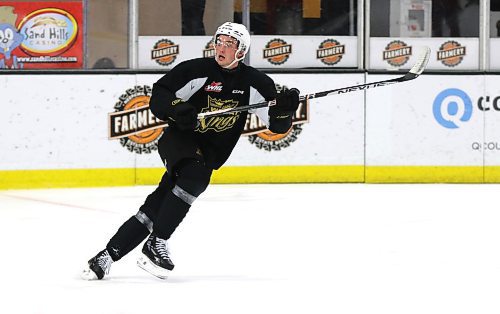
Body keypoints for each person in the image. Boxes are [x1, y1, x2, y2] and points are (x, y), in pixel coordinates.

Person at [82, 21, 300, 280]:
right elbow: (160, 95)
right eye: (219, 41)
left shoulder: (256, 83)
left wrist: (285, 110)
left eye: (230, 44)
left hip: (208, 154)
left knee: (158, 206)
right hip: (178, 142)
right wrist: (177, 108)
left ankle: (106, 256)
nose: (222, 47)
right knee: (196, 177)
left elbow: (276, 125)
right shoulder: (196, 70)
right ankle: (157, 242)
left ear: (241, 51)